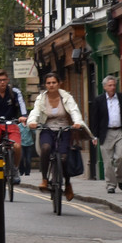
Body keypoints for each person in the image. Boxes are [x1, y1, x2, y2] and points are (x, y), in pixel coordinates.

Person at [27, 72, 84, 201]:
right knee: (46, 148)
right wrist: (32, 122)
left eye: (54, 82)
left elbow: (74, 110)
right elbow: (35, 111)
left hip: (64, 129)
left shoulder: (66, 97)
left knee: (63, 158)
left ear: (59, 84)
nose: (51, 85)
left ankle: (67, 183)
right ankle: (45, 179)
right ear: (45, 85)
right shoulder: (41, 98)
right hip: (47, 129)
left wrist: (77, 122)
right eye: (48, 83)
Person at [90, 75, 122, 193]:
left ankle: (120, 178)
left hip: (121, 131)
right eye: (110, 85)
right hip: (106, 133)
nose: (113, 87)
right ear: (104, 87)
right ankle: (110, 184)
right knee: (108, 161)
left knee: (121, 157)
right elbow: (94, 119)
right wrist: (94, 136)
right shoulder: (98, 100)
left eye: (114, 85)